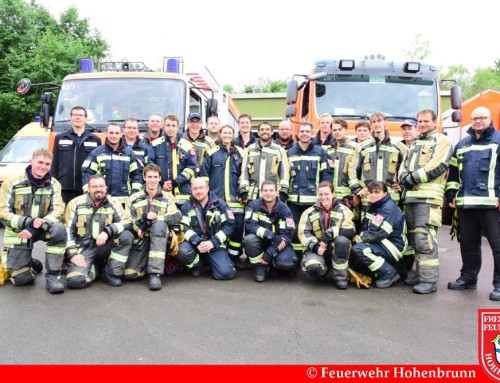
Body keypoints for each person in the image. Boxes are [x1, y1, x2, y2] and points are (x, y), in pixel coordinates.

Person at [445, 106, 500, 301]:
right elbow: (452, 172)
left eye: (482, 118)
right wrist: (451, 193)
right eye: (474, 118)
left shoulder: (498, 141)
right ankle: (468, 277)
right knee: (468, 244)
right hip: (466, 204)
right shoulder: (462, 144)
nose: (478, 121)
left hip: (492, 205)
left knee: (497, 246)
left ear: (489, 118)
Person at [398, 109, 452, 294]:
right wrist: (405, 177)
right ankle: (421, 274)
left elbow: (437, 165)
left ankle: (429, 281)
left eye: (425, 121)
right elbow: (402, 167)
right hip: (411, 199)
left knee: (425, 238)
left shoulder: (441, 140)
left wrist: (412, 179)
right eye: (419, 121)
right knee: (413, 239)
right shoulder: (414, 144)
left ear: (434, 122)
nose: (421, 124)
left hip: (428, 199)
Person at [0, 148, 67, 294]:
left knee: (60, 230)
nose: (43, 167)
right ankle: (30, 263)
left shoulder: (54, 184)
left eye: (47, 164)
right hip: (20, 232)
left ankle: (53, 276)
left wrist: (39, 224)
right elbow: (2, 212)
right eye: (40, 162)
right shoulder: (11, 183)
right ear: (31, 162)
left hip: (44, 228)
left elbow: (59, 210)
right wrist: (27, 222)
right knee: (21, 280)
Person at [64, 174, 134, 288]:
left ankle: (111, 273)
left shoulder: (113, 203)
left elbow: (127, 221)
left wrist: (107, 231)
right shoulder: (75, 203)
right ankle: (95, 268)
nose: (98, 189)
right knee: (75, 281)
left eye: (101, 186)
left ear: (106, 187)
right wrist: (73, 254)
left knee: (127, 236)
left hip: (106, 246)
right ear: (88, 188)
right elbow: (67, 230)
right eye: (94, 186)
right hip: (84, 249)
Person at [124, 164, 182, 291]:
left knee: (159, 225)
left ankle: (154, 274)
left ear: (160, 178)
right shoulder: (133, 199)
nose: (152, 180)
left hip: (162, 239)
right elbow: (127, 222)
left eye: (155, 176)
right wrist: (141, 222)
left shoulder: (168, 197)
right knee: (130, 274)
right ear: (144, 178)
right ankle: (147, 264)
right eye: (149, 176)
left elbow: (176, 216)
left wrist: (157, 219)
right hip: (142, 240)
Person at [200, 125, 245, 265]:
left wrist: (242, 192)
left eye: (229, 133)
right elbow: (204, 176)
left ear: (233, 135)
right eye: (224, 133)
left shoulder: (241, 153)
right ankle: (219, 259)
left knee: (237, 230)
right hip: (217, 200)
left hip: (236, 200)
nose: (227, 135)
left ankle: (234, 258)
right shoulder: (212, 152)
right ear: (219, 134)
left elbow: (244, 175)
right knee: (217, 228)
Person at [298, 181, 355, 289]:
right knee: (313, 267)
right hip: (317, 249)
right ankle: (323, 271)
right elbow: (303, 233)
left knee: (342, 241)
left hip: (335, 247)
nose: (323, 197)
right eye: (321, 194)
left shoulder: (345, 211)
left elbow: (350, 230)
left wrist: (329, 234)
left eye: (326, 194)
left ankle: (340, 277)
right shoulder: (308, 212)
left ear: (333, 194)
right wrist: (315, 246)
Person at [177, 177, 236, 280]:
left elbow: (229, 226)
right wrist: (198, 242)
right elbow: (184, 227)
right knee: (182, 251)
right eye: (195, 189)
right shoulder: (186, 206)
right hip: (195, 245)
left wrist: (213, 242)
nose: (198, 191)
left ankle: (215, 262)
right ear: (191, 190)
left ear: (207, 188)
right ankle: (198, 266)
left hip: (215, 245)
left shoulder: (220, 204)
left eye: (201, 188)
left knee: (226, 273)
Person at [351, 181, 407, 288]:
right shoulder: (375, 206)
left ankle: (388, 273)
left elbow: (379, 233)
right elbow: (367, 227)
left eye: (377, 192)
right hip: (384, 242)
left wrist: (359, 238)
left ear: (385, 193)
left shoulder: (388, 208)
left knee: (360, 249)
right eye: (371, 192)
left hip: (393, 245)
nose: (373, 195)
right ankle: (380, 271)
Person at [287, 122, 331, 255]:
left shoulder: (320, 152)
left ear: (311, 134)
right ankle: (296, 258)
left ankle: (312, 254)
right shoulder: (289, 152)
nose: (304, 134)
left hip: (314, 201)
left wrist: (324, 196)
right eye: (302, 131)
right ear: (297, 134)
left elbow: (326, 175)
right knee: (294, 229)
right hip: (294, 200)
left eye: (307, 131)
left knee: (315, 228)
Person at [349, 111, 406, 213]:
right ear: (371, 125)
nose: (377, 124)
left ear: (385, 123)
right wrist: (357, 189)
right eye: (374, 122)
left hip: (391, 198)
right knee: (369, 228)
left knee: (389, 227)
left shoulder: (398, 147)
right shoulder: (362, 147)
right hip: (368, 199)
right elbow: (352, 170)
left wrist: (402, 186)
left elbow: (406, 168)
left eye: (379, 121)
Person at [243, 180, 297, 282]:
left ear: (277, 192)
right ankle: (260, 268)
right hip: (261, 241)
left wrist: (269, 253)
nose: (268, 193)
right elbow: (251, 225)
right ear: (261, 192)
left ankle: (274, 264)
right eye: (265, 190)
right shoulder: (253, 206)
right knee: (249, 240)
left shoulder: (285, 209)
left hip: (279, 244)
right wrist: (271, 235)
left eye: (271, 190)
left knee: (286, 263)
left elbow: (288, 235)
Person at [82, 123, 143, 205]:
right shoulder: (96, 153)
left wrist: (134, 193)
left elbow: (137, 175)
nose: (114, 136)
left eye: (117, 133)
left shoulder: (129, 154)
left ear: (121, 134)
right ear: (106, 133)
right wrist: (88, 194)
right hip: (102, 201)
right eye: (111, 133)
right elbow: (87, 174)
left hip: (124, 202)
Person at [50, 106, 101, 204]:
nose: (78, 117)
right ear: (70, 118)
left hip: (86, 186)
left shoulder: (95, 140)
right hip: (64, 186)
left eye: (81, 115)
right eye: (75, 115)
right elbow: (54, 162)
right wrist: (53, 183)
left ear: (85, 118)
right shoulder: (60, 138)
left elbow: (98, 164)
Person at [151, 114, 197, 206]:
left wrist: (175, 182)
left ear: (178, 127)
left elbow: (191, 168)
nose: (170, 129)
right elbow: (151, 166)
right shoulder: (155, 144)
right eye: (168, 125)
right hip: (161, 191)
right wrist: (162, 183)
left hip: (182, 195)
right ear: (163, 126)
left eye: (173, 126)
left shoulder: (187, 145)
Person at [239, 121, 290, 202]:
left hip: (272, 195)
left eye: (267, 129)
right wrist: (243, 190)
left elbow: (284, 171)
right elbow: (244, 171)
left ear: (272, 132)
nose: (265, 131)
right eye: (262, 129)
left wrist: (283, 191)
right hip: (253, 195)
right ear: (258, 133)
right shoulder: (249, 149)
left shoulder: (279, 149)